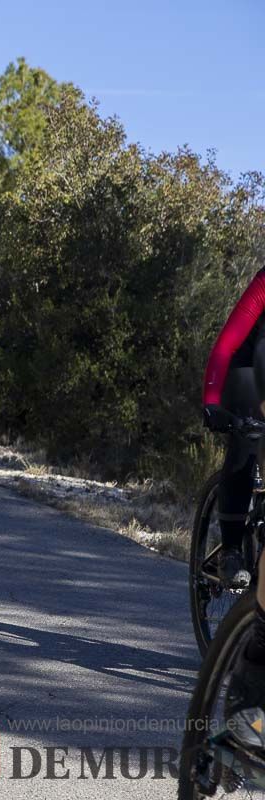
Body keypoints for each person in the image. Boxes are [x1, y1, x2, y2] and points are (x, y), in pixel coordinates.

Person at [202, 268, 265, 746]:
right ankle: (230, 550)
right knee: (245, 445)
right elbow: (229, 341)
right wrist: (212, 398)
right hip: (252, 368)